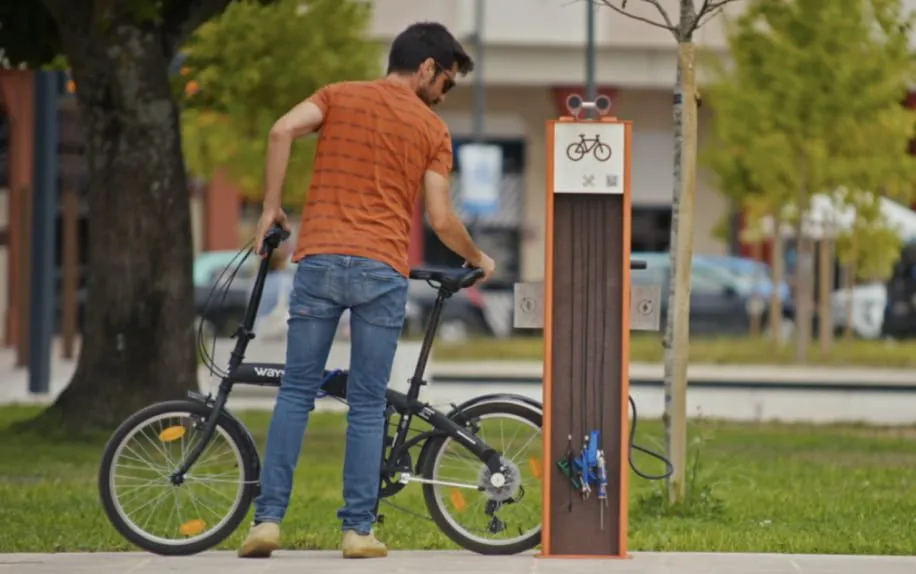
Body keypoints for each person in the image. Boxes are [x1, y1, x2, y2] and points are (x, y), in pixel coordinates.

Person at [238, 21, 496, 560]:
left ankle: (267, 522)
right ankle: (357, 530)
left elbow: (282, 130)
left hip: (321, 258)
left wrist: (269, 208)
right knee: (368, 404)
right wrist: (478, 258)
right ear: (427, 68)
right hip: (381, 269)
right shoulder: (431, 132)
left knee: (296, 390)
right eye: (446, 84)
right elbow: (441, 219)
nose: (444, 97)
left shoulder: (337, 96)